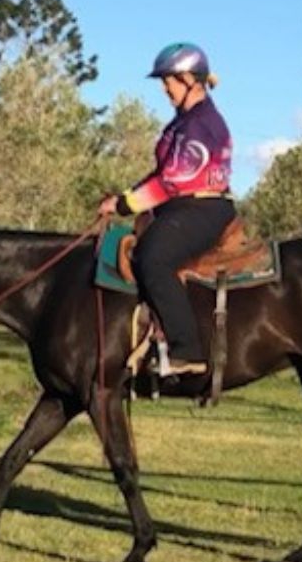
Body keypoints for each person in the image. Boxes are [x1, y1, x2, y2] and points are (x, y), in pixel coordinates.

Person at [98, 42, 236, 376]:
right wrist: (123, 198)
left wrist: (124, 204)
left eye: (169, 80)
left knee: (153, 258)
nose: (164, 88)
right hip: (183, 208)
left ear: (189, 80)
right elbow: (161, 174)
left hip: (202, 208)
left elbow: (172, 182)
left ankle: (187, 350)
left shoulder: (199, 125)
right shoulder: (183, 123)